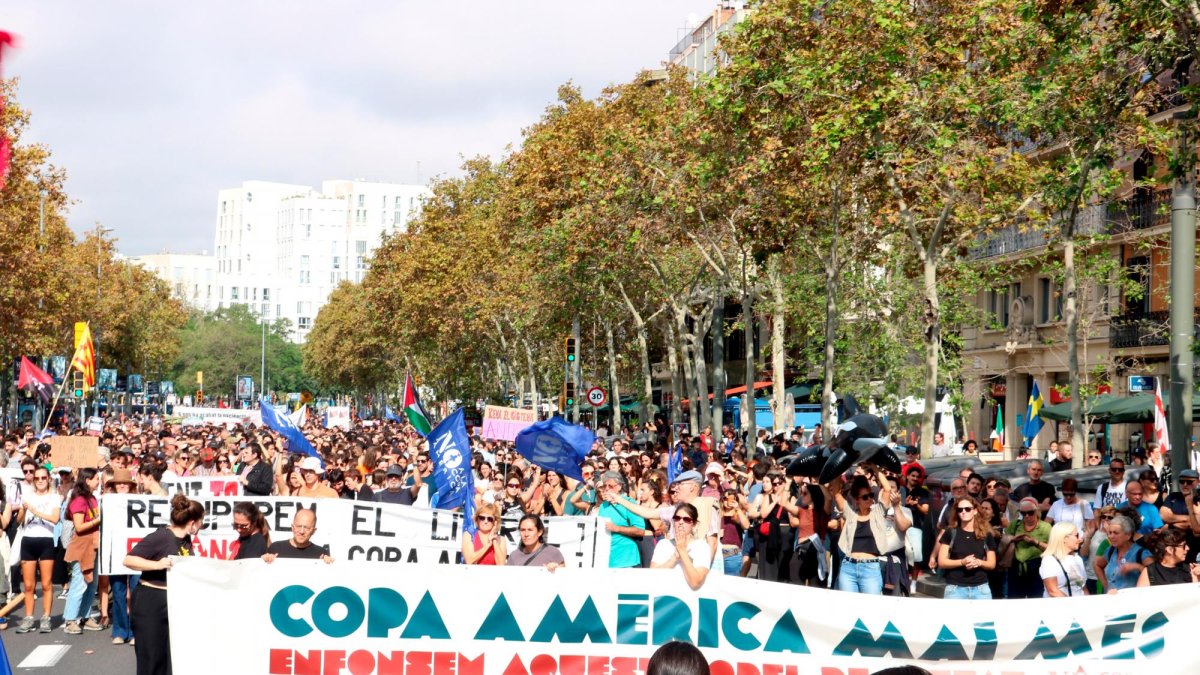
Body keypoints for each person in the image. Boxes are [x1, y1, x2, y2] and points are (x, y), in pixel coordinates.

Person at [123, 494, 205, 675]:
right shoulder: (161, 536)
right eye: (201, 522)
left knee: (170, 658)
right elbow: (128, 559)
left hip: (173, 601)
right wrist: (157, 564)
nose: (201, 526)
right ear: (192, 522)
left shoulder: (185, 539)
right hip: (151, 601)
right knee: (151, 658)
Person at [829, 467, 894, 595]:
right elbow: (836, 493)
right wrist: (838, 467)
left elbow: (887, 490)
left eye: (870, 495)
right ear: (856, 499)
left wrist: (875, 468)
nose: (870, 499)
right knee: (849, 609)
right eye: (865, 497)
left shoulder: (878, 512)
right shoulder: (850, 513)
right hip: (848, 567)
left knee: (870, 609)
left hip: (870, 568)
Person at [14, 465, 61, 634]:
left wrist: (35, 511)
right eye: (37, 478)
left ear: (48, 479)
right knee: (28, 585)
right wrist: (23, 510)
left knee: (47, 583)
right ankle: (28, 618)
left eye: (43, 478)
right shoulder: (27, 496)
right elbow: (19, 520)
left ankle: (46, 617)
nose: (40, 481)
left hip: (46, 540)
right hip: (28, 540)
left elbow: (55, 519)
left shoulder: (55, 497)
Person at [63, 468, 104, 634]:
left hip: (92, 545)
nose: (98, 482)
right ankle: (70, 620)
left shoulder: (92, 499)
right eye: (96, 479)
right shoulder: (79, 500)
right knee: (79, 584)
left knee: (91, 584)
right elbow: (79, 527)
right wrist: (98, 520)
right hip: (81, 546)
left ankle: (85, 616)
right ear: (87, 480)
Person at [938, 496, 996, 599]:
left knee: (984, 616)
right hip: (955, 589)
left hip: (981, 589)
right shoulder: (950, 532)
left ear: (975, 511)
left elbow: (992, 564)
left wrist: (979, 562)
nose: (963, 512)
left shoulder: (986, 534)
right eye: (960, 510)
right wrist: (962, 562)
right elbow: (942, 562)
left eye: (967, 509)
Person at [105, 468, 138, 645]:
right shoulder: (107, 502)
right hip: (115, 552)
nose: (123, 485)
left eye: (125, 482)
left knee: (136, 593)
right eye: (119, 483)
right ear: (114, 485)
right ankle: (119, 631)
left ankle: (134, 631)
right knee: (118, 592)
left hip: (136, 552)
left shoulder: (140, 502)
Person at [650, 503, 712, 590]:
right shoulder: (663, 544)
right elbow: (651, 576)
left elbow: (695, 582)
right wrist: (674, 559)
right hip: (665, 597)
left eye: (686, 519)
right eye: (677, 518)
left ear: (693, 524)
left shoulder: (702, 547)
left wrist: (682, 551)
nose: (681, 522)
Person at [1004, 497, 1051, 598]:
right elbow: (1004, 541)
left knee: (1036, 601)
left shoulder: (1045, 527)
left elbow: (1051, 549)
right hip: (1016, 568)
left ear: (1037, 511)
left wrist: (1035, 542)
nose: (1026, 516)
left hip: (1037, 568)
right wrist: (1013, 539)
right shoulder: (1014, 525)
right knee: (1015, 602)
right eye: (1023, 513)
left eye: (1030, 513)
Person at [598, 472, 645, 569]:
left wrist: (617, 528)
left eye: (610, 486)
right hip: (607, 559)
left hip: (626, 559)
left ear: (619, 487)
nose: (606, 488)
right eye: (604, 486)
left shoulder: (629, 503)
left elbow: (640, 530)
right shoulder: (603, 505)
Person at [1094, 514, 1151, 592]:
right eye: (1110, 533)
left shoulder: (1141, 553)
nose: (1111, 536)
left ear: (1128, 535)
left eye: (1115, 533)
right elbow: (1097, 564)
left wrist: (1137, 567)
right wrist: (1106, 585)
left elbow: (1154, 574)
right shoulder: (1111, 550)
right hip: (1111, 600)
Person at [263, 509, 333, 563]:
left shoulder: (321, 553)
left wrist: (328, 565)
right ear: (292, 527)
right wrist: (265, 560)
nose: (302, 531)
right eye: (299, 526)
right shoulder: (276, 548)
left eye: (307, 528)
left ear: (314, 531)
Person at [1040, 522, 1087, 597]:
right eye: (1076, 535)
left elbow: (1083, 588)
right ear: (1064, 538)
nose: (1079, 539)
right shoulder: (1049, 560)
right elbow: (1053, 591)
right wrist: (1073, 607)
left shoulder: (1078, 559)